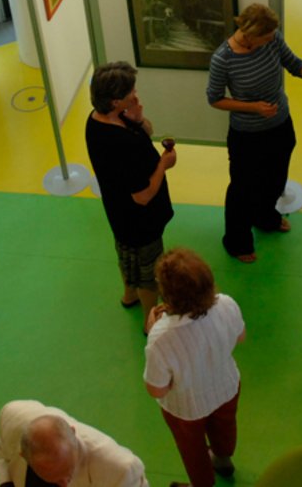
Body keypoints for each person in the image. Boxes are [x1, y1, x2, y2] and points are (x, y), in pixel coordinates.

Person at [206, 3, 302, 263]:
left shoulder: (272, 40)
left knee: (275, 178)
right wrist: (253, 108)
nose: (272, 39)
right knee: (242, 189)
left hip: (280, 125)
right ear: (249, 34)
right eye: (266, 36)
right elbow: (215, 99)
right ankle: (237, 241)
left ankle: (265, 217)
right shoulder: (223, 59)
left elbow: (294, 64)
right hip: (247, 135)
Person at [143, 248, 245, 487]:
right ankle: (223, 458)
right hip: (226, 386)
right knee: (225, 426)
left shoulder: (161, 336)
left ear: (167, 295)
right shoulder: (227, 304)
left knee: (192, 448)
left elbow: (156, 390)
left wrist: (151, 329)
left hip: (185, 406)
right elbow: (240, 337)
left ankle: (202, 483)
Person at [85, 62, 176, 324]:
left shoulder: (97, 118)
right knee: (149, 272)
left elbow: (147, 130)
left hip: (118, 213)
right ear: (115, 101)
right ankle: (151, 321)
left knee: (125, 255)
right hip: (140, 220)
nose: (136, 96)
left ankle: (129, 296)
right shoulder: (121, 144)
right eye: (130, 93)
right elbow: (143, 196)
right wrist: (163, 164)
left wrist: (137, 117)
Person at [0, 400, 147, 487]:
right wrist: (6, 483)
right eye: (52, 477)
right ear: (24, 456)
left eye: (68, 473)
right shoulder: (12, 419)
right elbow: (3, 449)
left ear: (73, 435)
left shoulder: (120, 469)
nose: (63, 485)